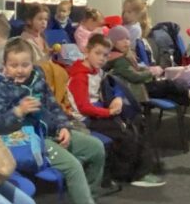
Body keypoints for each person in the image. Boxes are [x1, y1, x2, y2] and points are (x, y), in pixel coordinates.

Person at [0, 39, 118, 204]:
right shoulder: (1, 90)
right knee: (73, 166)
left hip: (52, 132)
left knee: (96, 148)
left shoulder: (37, 81)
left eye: (25, 65)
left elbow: (54, 107)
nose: (20, 70)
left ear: (32, 64)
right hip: (29, 140)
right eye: (14, 65)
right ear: (5, 66)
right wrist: (18, 111)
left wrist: (63, 126)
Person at [68, 34, 164, 188]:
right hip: (85, 119)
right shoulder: (80, 76)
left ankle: (141, 169)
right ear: (87, 51)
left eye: (105, 55)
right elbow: (83, 107)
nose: (102, 58)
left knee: (136, 124)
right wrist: (109, 113)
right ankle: (132, 175)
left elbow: (113, 85)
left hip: (100, 112)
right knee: (125, 133)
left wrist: (118, 98)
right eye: (97, 53)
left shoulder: (97, 71)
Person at [104, 25, 190, 107]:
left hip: (139, 86)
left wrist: (147, 69)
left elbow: (135, 68)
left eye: (127, 39)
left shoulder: (124, 55)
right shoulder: (119, 60)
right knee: (168, 84)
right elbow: (135, 77)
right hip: (137, 89)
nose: (126, 42)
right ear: (113, 43)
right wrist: (151, 72)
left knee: (170, 93)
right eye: (121, 39)